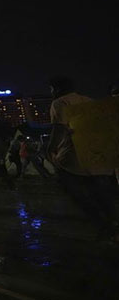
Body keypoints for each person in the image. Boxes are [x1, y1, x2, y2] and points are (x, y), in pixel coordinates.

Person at [46, 76, 118, 243]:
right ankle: (113, 227)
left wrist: (50, 149)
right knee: (102, 195)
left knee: (77, 194)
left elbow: (59, 130)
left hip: (73, 159)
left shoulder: (60, 103)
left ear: (55, 89)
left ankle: (104, 226)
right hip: (97, 157)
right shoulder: (89, 100)